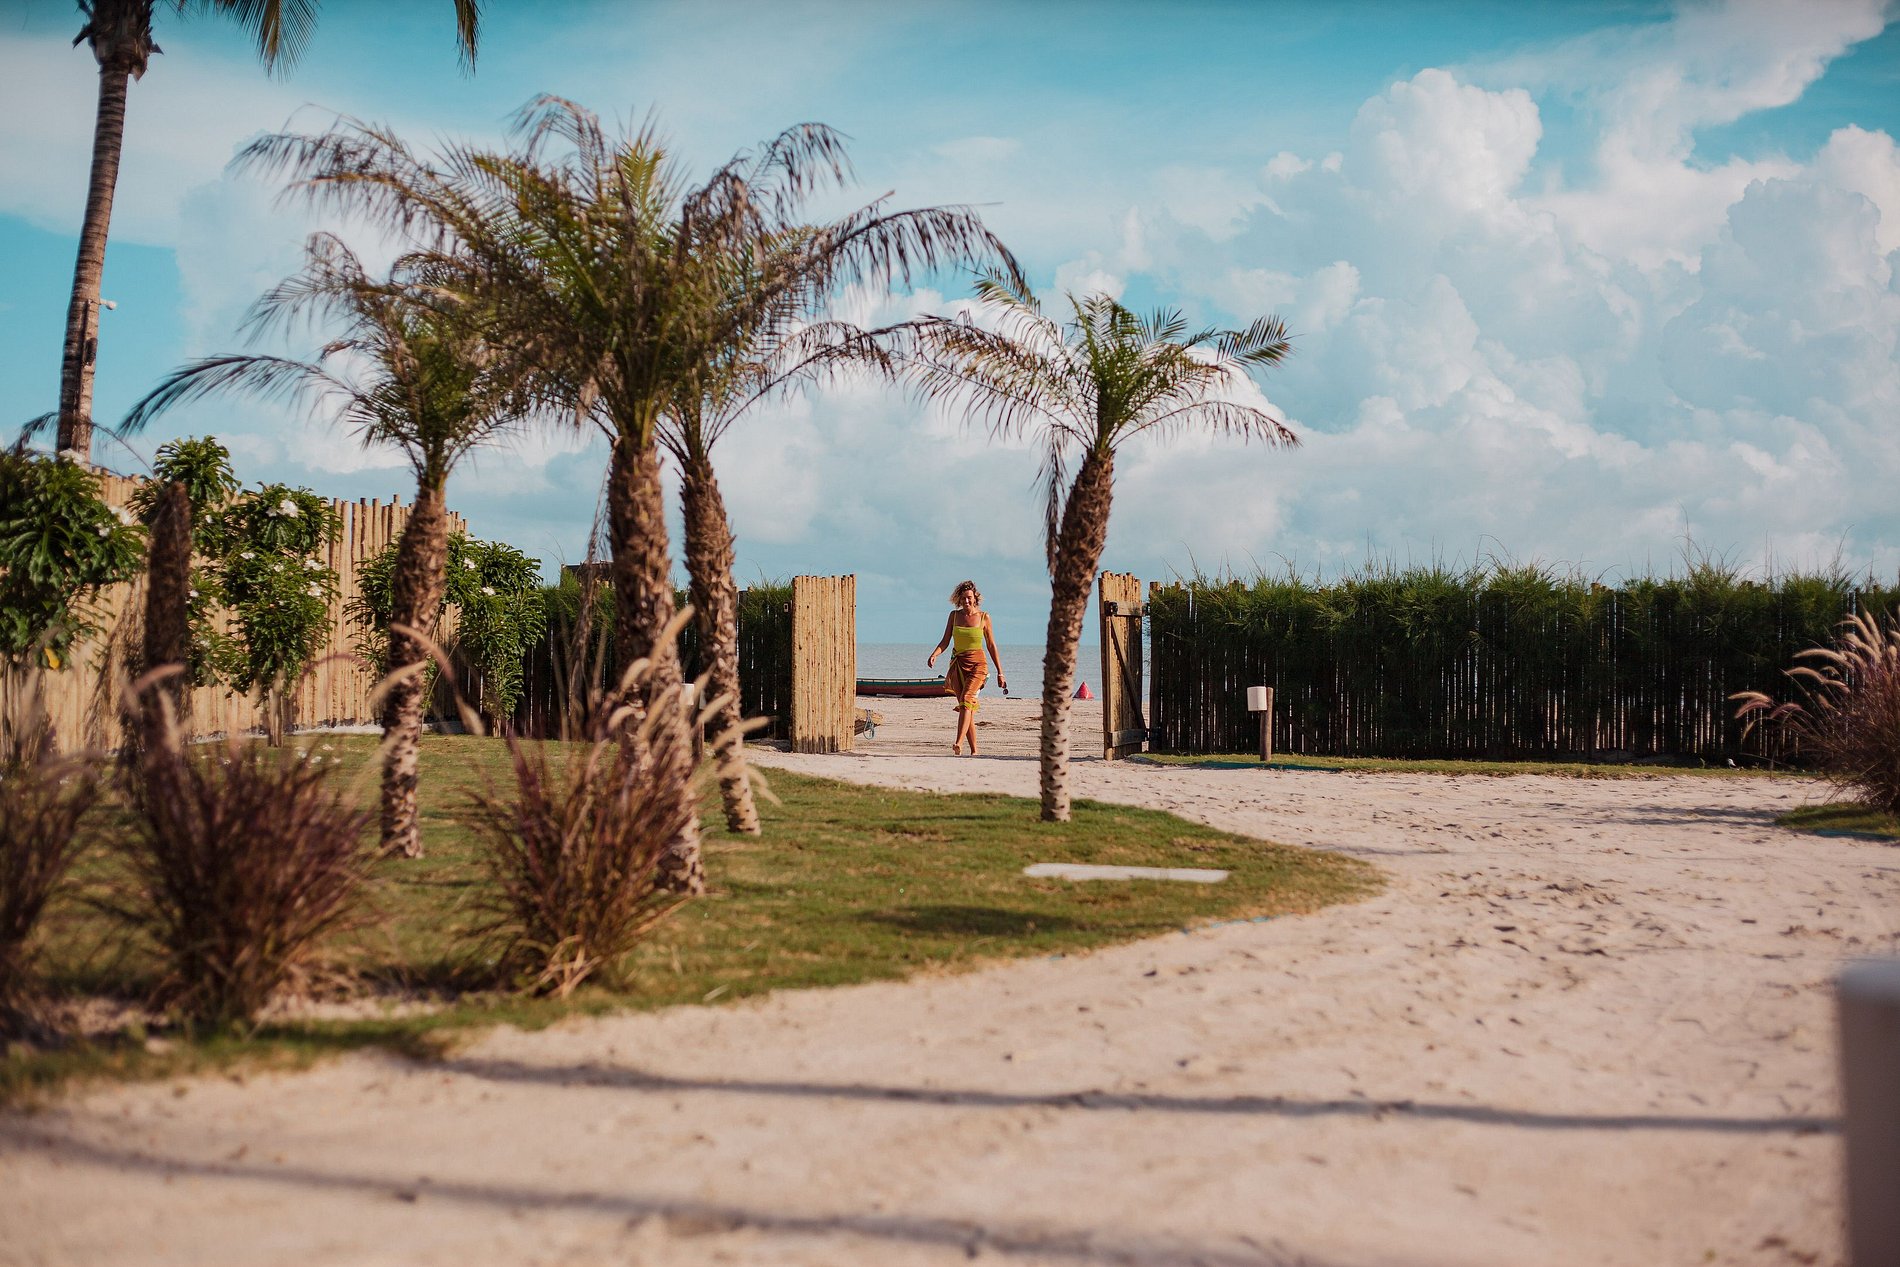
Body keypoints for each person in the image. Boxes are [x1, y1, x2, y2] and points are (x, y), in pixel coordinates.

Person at [926, 580, 1007, 756]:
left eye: (969, 597)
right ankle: (975, 751)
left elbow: (991, 646)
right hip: (958, 665)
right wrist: (935, 654)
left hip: (978, 665)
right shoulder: (954, 616)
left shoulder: (984, 617)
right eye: (963, 598)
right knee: (966, 706)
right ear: (959, 599)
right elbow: (945, 641)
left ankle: (958, 743)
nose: (966, 601)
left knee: (966, 699)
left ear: (975, 597)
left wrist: (1000, 672)